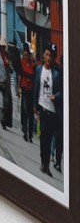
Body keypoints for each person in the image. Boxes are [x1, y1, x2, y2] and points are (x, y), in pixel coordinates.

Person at [35, 46, 61, 177]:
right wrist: (35, 106)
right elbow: (36, 87)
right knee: (43, 136)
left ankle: (46, 164)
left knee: (49, 138)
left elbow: (61, 90)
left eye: (51, 55)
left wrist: (56, 96)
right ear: (43, 56)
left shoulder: (56, 74)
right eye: (47, 55)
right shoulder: (39, 69)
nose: (48, 58)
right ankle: (44, 162)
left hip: (52, 110)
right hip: (42, 107)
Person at [49, 43, 64, 173]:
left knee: (56, 133)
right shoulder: (59, 71)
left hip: (57, 106)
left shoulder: (59, 72)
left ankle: (54, 156)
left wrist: (56, 96)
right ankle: (57, 160)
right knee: (59, 136)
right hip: (60, 108)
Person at [18, 43, 36, 142]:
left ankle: (30, 134)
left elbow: (35, 77)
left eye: (27, 54)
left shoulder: (33, 64)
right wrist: (18, 88)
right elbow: (20, 76)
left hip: (31, 90)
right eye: (24, 54)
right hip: (24, 88)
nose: (26, 56)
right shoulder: (21, 62)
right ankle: (25, 131)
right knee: (25, 110)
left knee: (30, 112)